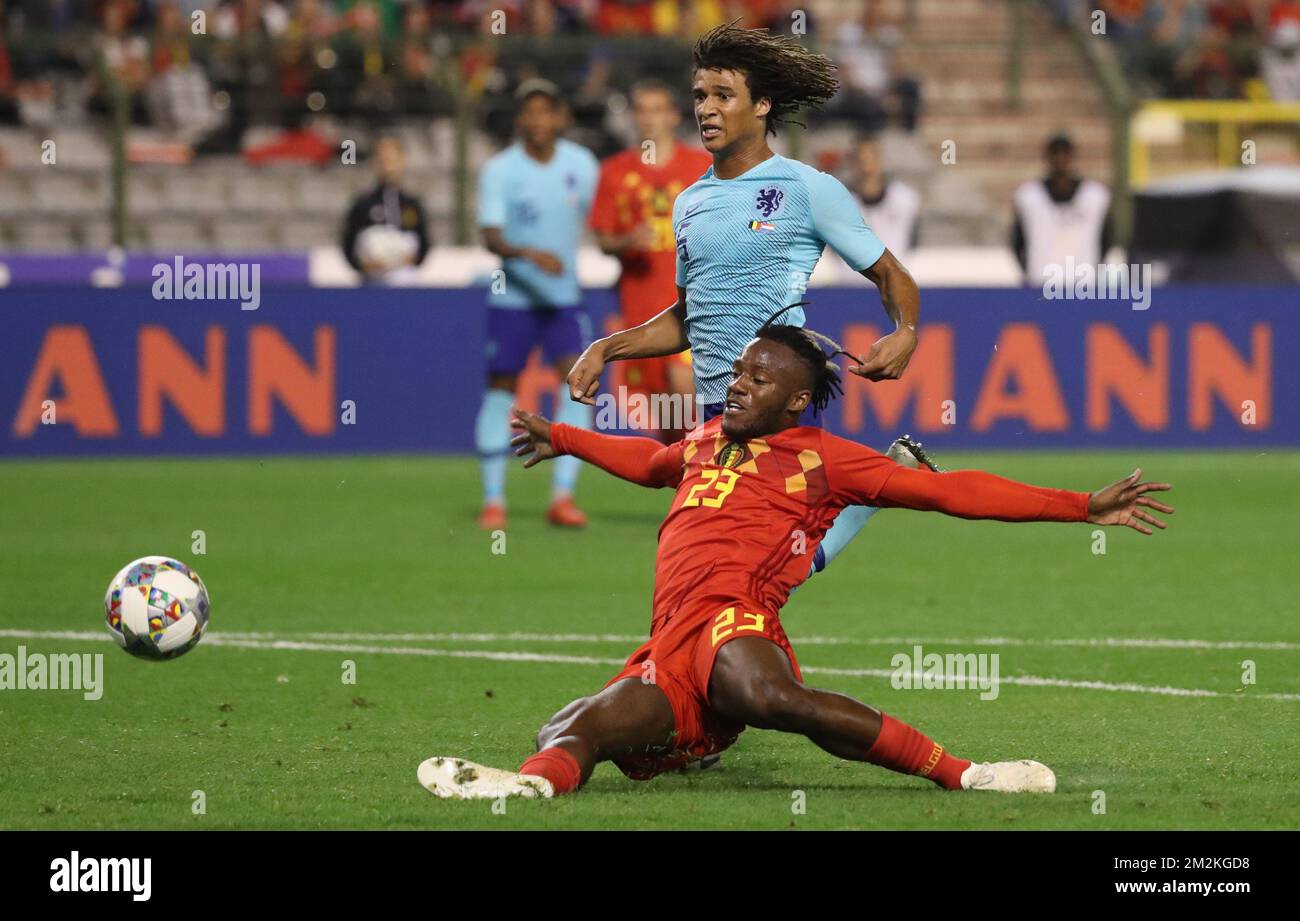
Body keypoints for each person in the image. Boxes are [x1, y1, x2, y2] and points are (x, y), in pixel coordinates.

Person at [419, 323, 1174, 799]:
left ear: (795, 400)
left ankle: (966, 772)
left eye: (758, 377)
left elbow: (951, 494)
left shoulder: (822, 459)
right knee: (571, 729)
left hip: (737, 620)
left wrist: (1081, 505)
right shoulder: (710, 438)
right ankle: (524, 791)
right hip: (671, 641)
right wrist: (567, 436)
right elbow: (654, 462)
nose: (738, 383)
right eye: (739, 371)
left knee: (769, 695)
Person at [566, 22, 923, 580]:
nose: (706, 109)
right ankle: (880, 486)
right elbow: (688, 318)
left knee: (723, 570)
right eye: (700, 96)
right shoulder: (688, 203)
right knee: (764, 570)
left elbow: (890, 273)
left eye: (722, 96)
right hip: (717, 410)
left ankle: (674, 667)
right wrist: (606, 348)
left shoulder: (807, 188)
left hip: (775, 404)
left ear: (761, 105)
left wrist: (904, 331)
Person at [476, 78, 600, 530]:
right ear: (519, 120)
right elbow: (490, 235)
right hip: (512, 300)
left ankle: (562, 495)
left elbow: (598, 217)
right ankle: (494, 500)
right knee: (500, 392)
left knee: (580, 386)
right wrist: (528, 255)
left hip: (564, 300)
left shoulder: (582, 165)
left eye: (547, 110)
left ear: (561, 117)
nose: (538, 120)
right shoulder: (500, 170)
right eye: (530, 111)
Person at [589, 78, 711, 442]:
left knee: (684, 387)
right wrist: (628, 240)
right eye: (642, 110)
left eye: (657, 110)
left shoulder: (702, 167)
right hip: (640, 306)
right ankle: (688, 483)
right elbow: (603, 240)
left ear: (674, 116)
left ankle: (708, 475)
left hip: (694, 302)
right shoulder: (614, 172)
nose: (649, 119)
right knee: (666, 418)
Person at [1012, 134, 1113, 286]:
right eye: (1055, 154)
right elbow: (1018, 241)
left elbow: (1106, 239)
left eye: (1064, 154)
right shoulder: (1029, 197)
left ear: (1072, 157)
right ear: (1047, 157)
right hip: (1040, 282)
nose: (1060, 160)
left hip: (1083, 284)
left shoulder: (1095, 197)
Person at [340, 135, 430, 284]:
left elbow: (423, 244)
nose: (387, 165)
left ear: (402, 160)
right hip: (371, 283)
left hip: (406, 284)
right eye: (382, 159)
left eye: (392, 159)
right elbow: (349, 244)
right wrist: (364, 265)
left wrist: (407, 259)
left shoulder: (412, 204)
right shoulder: (363, 204)